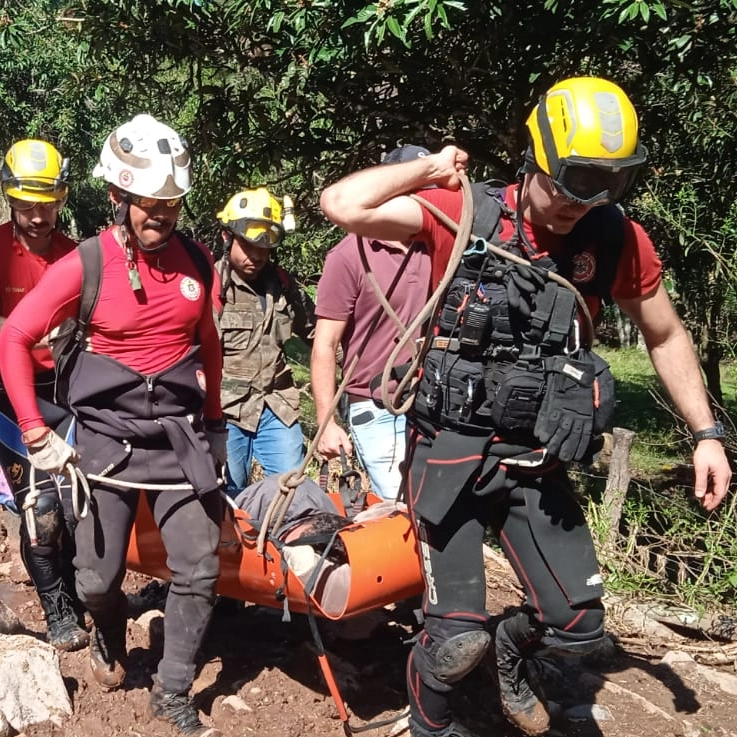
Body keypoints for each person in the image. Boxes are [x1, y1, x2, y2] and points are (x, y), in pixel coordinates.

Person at [319, 77, 732, 737]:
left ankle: (509, 654)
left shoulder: (615, 239)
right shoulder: (462, 214)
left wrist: (704, 432)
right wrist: (428, 167)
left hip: (535, 457)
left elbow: (664, 333)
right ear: (535, 153)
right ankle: (432, 723)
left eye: (608, 181)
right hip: (447, 449)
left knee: (578, 628)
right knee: (453, 643)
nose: (584, 198)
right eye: (572, 177)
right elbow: (339, 203)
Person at [0, 114, 227, 737]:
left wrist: (215, 424)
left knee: (200, 565)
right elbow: (15, 335)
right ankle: (107, 631)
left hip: (179, 440)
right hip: (107, 440)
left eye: (171, 203)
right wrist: (35, 431)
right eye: (149, 203)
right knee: (97, 580)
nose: (161, 214)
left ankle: (172, 691)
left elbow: (209, 345)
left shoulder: (198, 263)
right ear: (118, 197)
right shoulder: (85, 264)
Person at [0, 139, 89, 651]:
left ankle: (79, 594)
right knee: (42, 507)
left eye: (47, 204)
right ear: (11, 198)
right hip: (10, 398)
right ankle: (55, 605)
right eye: (27, 205)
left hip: (66, 390)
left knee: (78, 501)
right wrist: (18, 331)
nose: (38, 216)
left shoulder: (74, 254)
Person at [312, 145, 432, 500]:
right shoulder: (349, 255)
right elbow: (324, 345)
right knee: (402, 506)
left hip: (428, 402)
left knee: (436, 510)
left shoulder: (437, 245)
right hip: (375, 406)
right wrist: (325, 423)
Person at [214, 188, 316, 497]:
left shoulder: (284, 286)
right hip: (226, 412)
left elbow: (317, 333)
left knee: (293, 494)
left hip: (277, 405)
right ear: (226, 237)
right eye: (248, 245)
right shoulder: (211, 287)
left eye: (265, 247)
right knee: (228, 499)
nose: (257, 255)